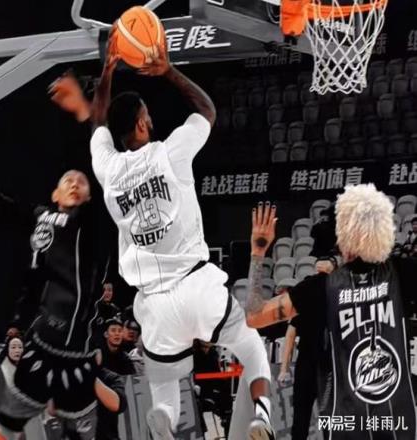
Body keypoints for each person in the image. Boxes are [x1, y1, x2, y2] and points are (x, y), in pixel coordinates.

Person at [50, 27, 275, 440]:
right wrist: (169, 71)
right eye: (147, 116)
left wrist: (107, 69)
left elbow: (98, 121)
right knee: (250, 346)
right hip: (195, 283)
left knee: (166, 384)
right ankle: (261, 417)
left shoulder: (108, 170)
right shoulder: (171, 152)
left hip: (153, 303)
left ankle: (165, 419)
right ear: (142, 122)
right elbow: (206, 111)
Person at [0, 124, 122, 440]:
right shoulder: (39, 217)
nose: (74, 183)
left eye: (81, 182)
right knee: (4, 429)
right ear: (55, 194)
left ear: (88, 196)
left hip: (78, 354)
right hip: (41, 346)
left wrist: (93, 122)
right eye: (68, 180)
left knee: (83, 430)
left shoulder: (92, 227)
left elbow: (106, 179)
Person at [245, 187, 417, 439]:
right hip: (397, 424)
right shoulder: (402, 273)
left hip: (346, 425)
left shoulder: (320, 287)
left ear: (340, 236)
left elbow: (254, 317)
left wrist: (258, 252)